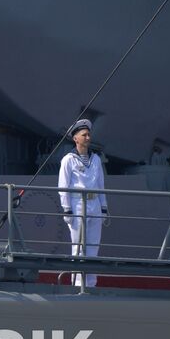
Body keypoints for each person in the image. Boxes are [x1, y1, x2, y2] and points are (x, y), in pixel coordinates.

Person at [58, 119, 108, 288]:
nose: (87, 137)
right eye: (84, 135)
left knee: (93, 247)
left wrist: (104, 208)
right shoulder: (68, 160)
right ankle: (78, 284)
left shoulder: (96, 159)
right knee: (78, 247)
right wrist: (67, 210)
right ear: (75, 139)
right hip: (78, 204)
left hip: (94, 205)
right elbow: (63, 186)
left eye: (88, 134)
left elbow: (101, 185)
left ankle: (91, 284)